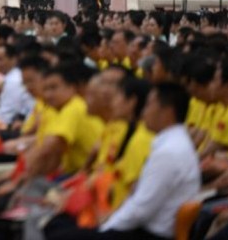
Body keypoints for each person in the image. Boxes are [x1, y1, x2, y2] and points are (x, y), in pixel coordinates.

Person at [45, 82, 200, 239]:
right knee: (59, 225)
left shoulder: (168, 152)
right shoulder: (172, 144)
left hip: (149, 234)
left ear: (167, 112)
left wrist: (107, 226)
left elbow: (141, 208)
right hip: (138, 225)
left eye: (148, 105)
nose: (144, 112)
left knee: (59, 232)